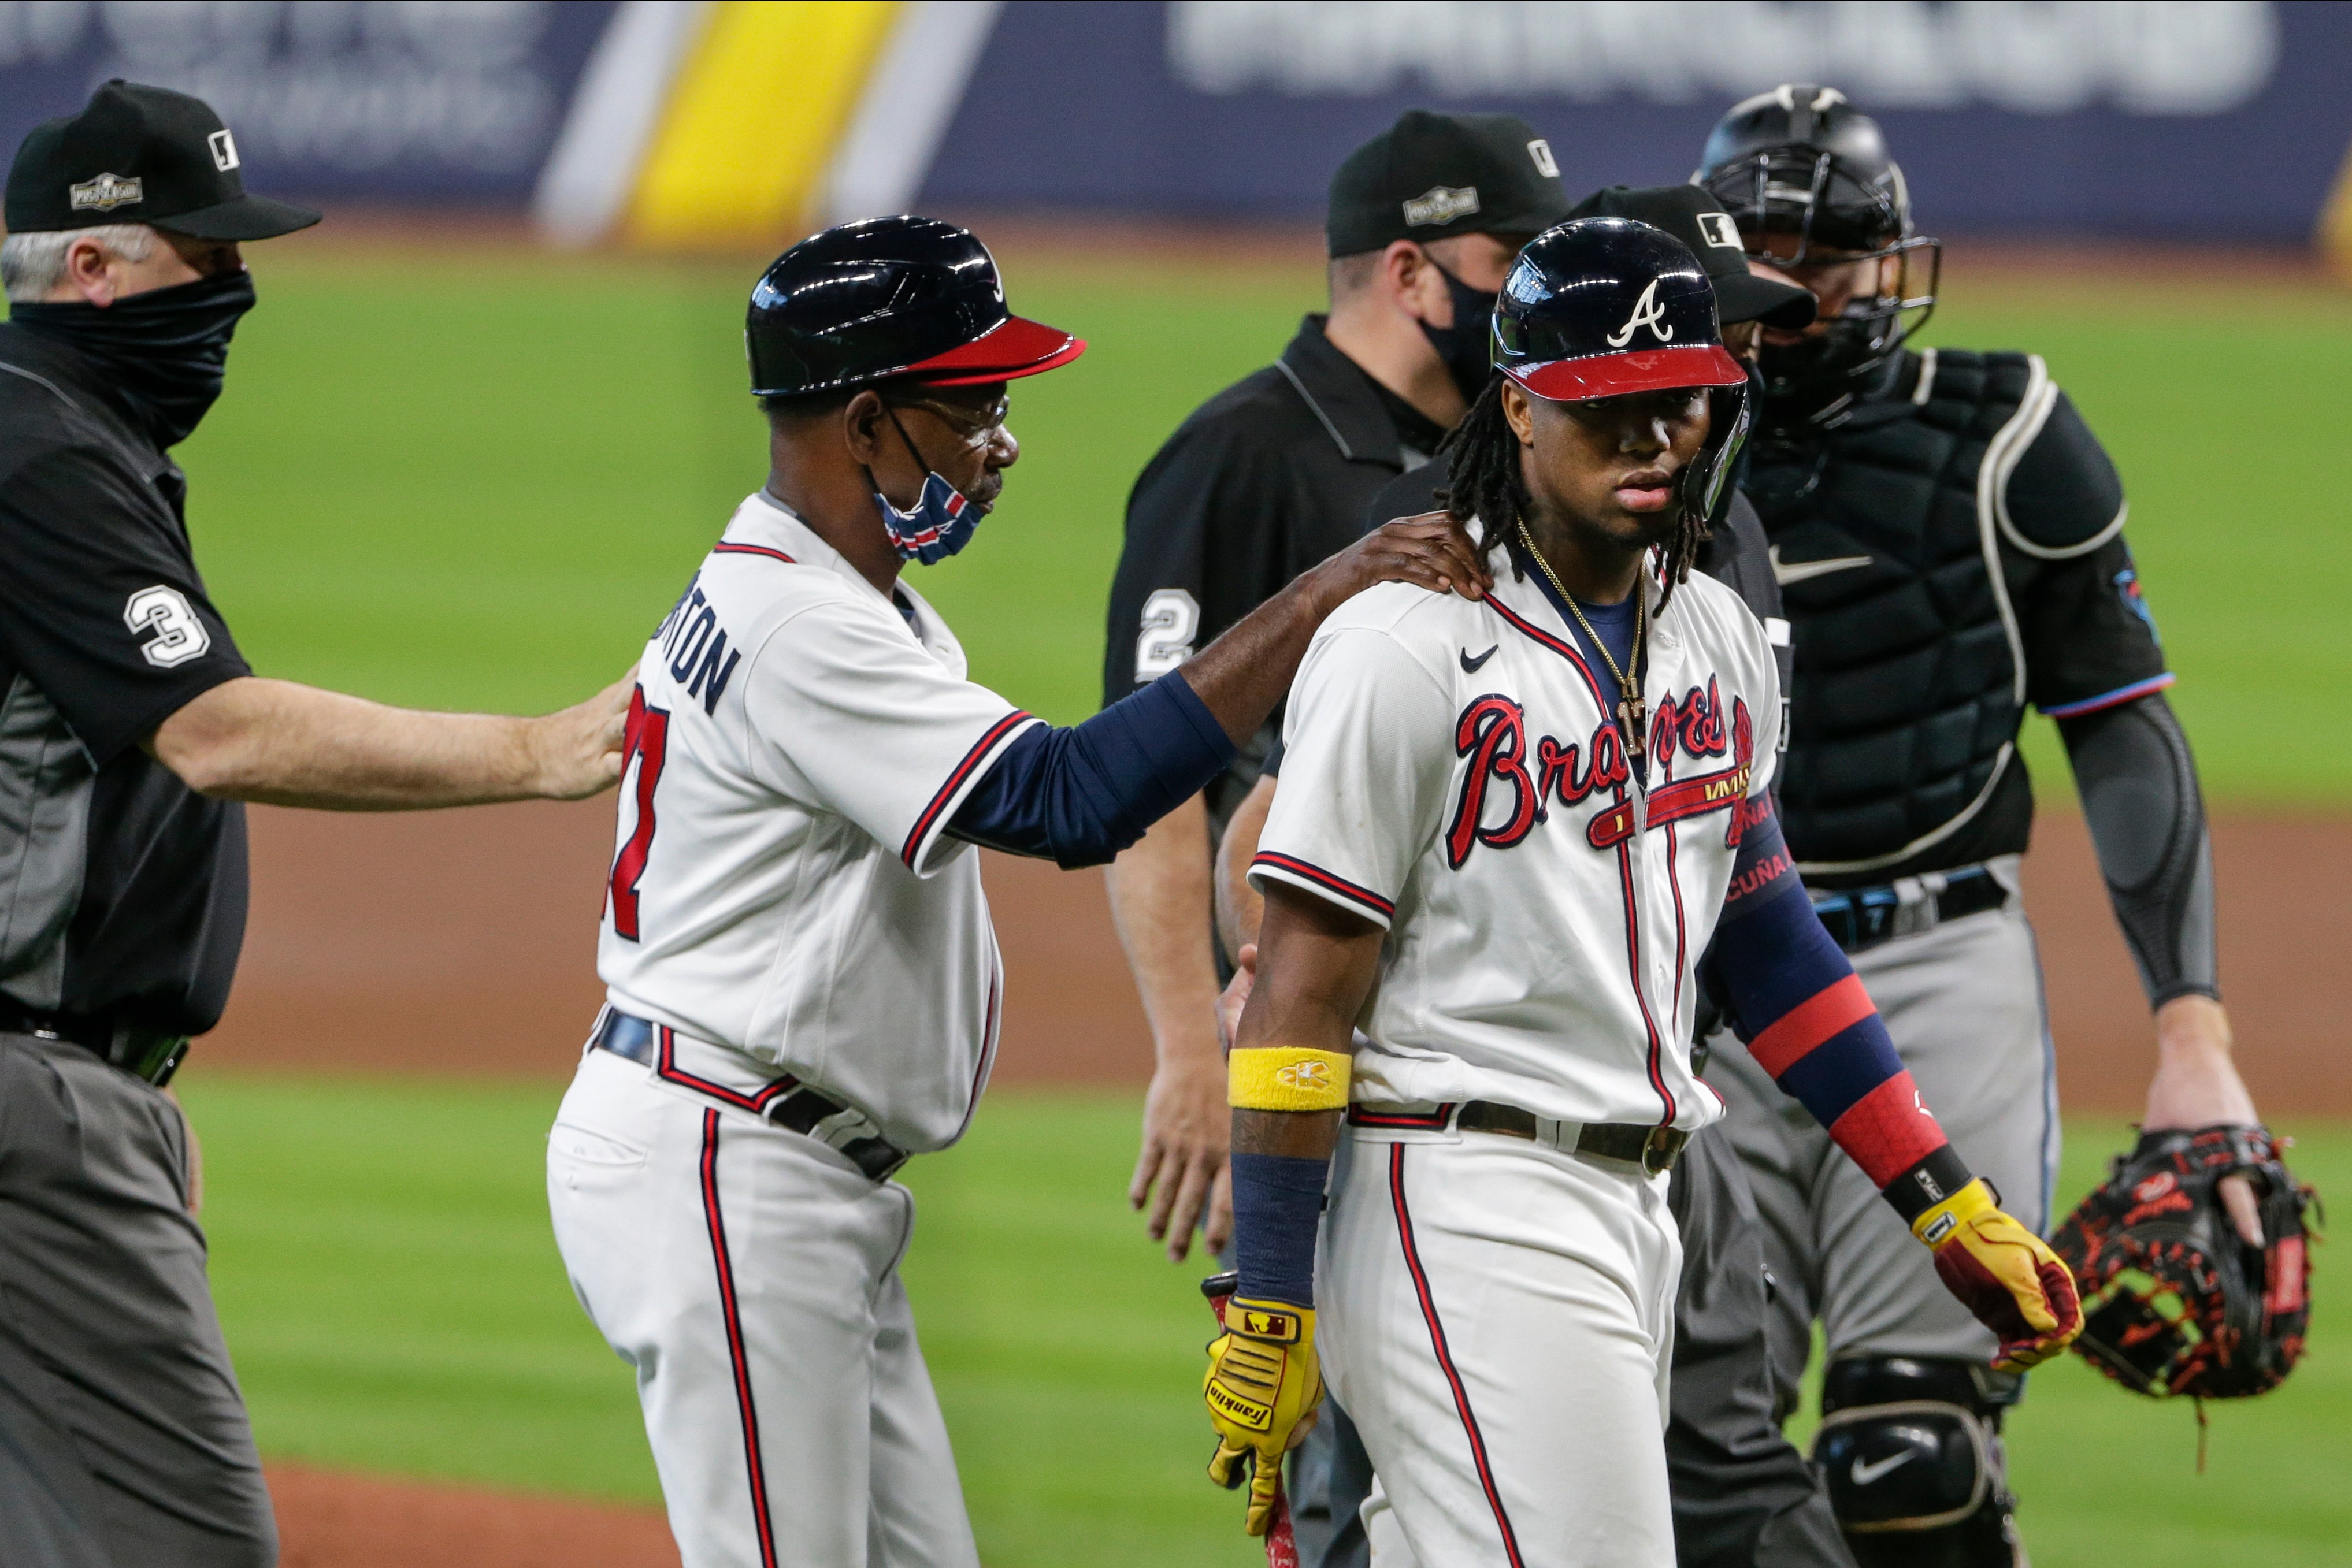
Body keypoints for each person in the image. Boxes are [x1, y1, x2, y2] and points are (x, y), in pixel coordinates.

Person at [541, 215, 1488, 1568]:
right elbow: (1069, 799)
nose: (1002, 437)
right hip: (724, 1162)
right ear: (867, 421)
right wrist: (1324, 594)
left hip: (792, 1168)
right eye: (973, 400)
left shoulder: (847, 597)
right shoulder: (800, 624)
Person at [1198, 218, 2080, 1567]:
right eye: (1608, 406)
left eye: (1682, 401)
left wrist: (1940, 1198)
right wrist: (1270, 1301)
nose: (1657, 437)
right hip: (1461, 1198)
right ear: (1520, 407)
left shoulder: (1710, 631)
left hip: (1630, 1205)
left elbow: (1765, 933)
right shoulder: (1405, 645)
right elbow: (1297, 993)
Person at [0, 81, 632, 1568]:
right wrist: (537, 751)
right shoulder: (42, 456)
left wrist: (132, 1079)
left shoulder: (52, 434)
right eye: (203, 257)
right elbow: (216, 729)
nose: (239, 290)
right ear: (91, 266)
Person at [1690, 84, 2270, 1565]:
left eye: (1833, 255)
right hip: (1704, 983)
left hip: (1940, 964)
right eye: (1766, 251)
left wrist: (2191, 1033)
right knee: (1698, 1460)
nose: (1802, 286)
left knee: (1910, 1462)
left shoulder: (2005, 434)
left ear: (1893, 263)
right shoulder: (1639, 453)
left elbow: (2122, 721)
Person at [1103, 110, 1571, 1273]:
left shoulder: (1503, 447)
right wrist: (1190, 1055)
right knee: (1323, 1411)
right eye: (1512, 264)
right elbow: (1151, 785)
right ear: (1410, 271)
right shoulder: (1243, 454)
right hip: (1303, 1033)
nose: (1537, 298)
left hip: (1475, 1033)